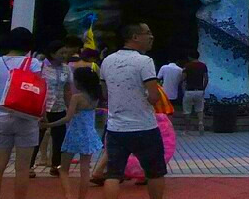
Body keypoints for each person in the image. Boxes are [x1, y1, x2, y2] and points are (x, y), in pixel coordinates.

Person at [99, 23, 168, 199]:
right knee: (155, 172)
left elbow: (104, 93)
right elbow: (154, 96)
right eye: (148, 33)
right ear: (135, 37)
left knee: (113, 174)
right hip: (144, 126)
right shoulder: (145, 61)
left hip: (115, 128)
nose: (151, 36)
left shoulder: (107, 61)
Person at [0, 26, 45, 199]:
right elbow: (37, 88)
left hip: (2, 116)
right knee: (22, 168)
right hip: (27, 117)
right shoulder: (33, 63)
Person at [45, 66, 105, 199]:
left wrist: (49, 125)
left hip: (74, 134)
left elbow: (67, 118)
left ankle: (68, 195)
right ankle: (82, 197)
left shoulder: (76, 97)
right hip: (89, 135)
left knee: (63, 169)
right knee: (85, 170)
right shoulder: (95, 97)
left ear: (79, 82)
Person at [37, 38, 79, 176]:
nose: (65, 55)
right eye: (62, 53)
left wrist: (70, 106)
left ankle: (56, 165)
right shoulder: (41, 66)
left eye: (66, 52)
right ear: (52, 54)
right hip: (42, 106)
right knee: (38, 136)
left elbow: (67, 89)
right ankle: (29, 165)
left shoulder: (66, 68)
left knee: (59, 137)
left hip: (59, 106)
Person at [180, 51, 208, 136]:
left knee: (187, 111)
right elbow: (206, 78)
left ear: (190, 57)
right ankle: (200, 122)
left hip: (189, 91)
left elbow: (183, 78)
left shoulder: (187, 66)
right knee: (200, 109)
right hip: (199, 90)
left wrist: (182, 85)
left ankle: (187, 130)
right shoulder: (203, 66)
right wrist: (203, 88)